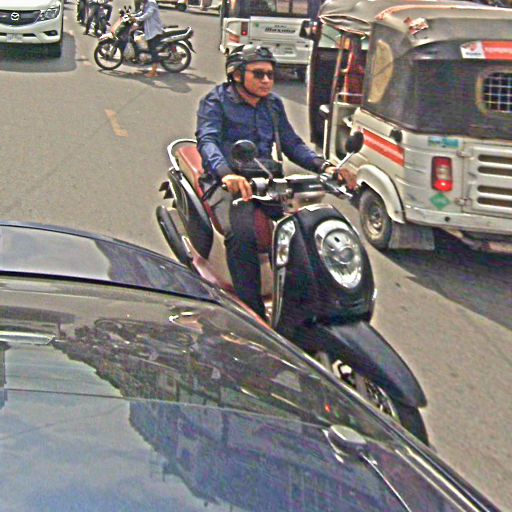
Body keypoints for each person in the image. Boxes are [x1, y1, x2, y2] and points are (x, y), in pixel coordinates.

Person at [195, 45, 335, 319]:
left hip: (267, 179)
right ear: (237, 75)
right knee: (242, 237)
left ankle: (301, 302)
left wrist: (324, 166)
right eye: (258, 74)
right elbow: (207, 140)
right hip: (229, 181)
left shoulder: (273, 104)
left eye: (271, 74)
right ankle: (251, 313)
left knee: (302, 230)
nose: (267, 81)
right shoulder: (216, 101)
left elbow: (292, 143)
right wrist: (226, 174)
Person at [134, 0, 164, 78]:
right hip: (149, 29)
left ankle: (154, 72)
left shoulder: (151, 2)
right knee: (148, 46)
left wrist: (137, 19)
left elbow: (148, 14)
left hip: (154, 30)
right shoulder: (145, 3)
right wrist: (132, 16)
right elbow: (141, 12)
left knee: (153, 50)